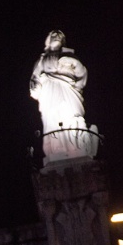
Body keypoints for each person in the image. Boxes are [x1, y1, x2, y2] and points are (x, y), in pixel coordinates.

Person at [29, 30, 96, 161]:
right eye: (53, 35)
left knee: (73, 117)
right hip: (50, 93)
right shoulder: (42, 60)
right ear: (48, 40)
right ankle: (57, 149)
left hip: (69, 92)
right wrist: (35, 87)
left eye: (60, 35)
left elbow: (82, 75)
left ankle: (77, 147)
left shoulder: (71, 56)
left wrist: (74, 63)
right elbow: (34, 78)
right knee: (53, 118)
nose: (57, 36)